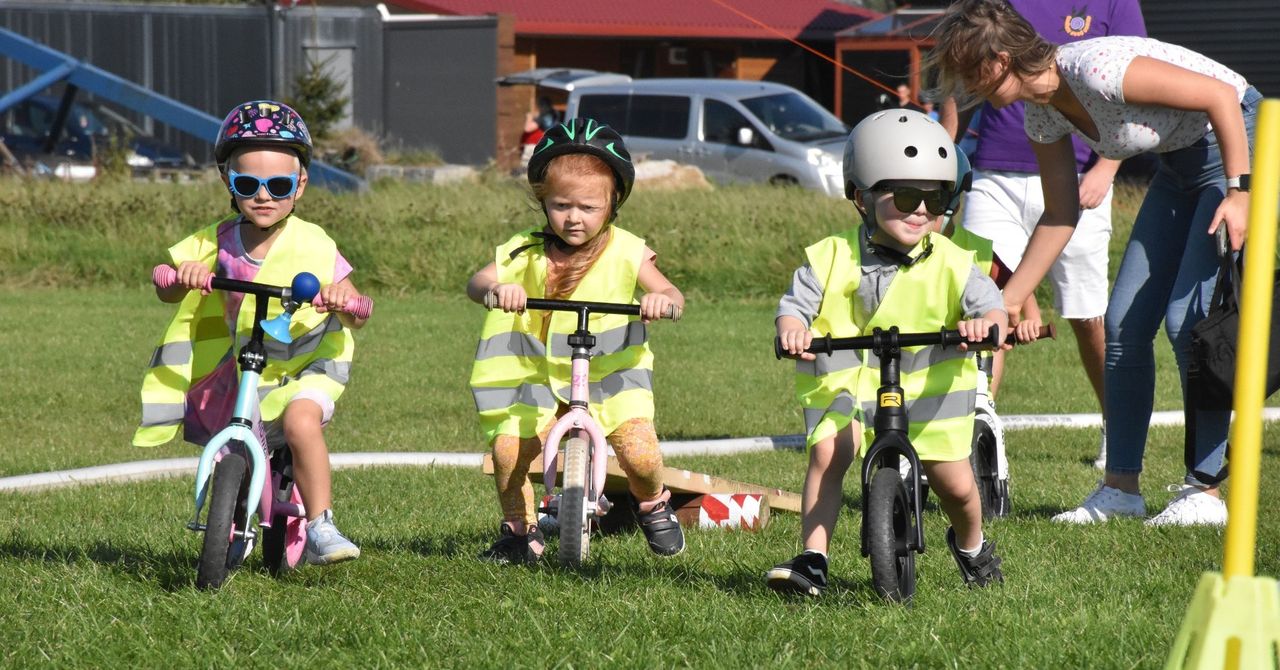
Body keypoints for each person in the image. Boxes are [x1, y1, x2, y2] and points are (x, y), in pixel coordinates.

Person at [927, 0, 1260, 526]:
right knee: (1125, 322)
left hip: (1239, 142)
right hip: (1179, 168)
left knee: (1187, 322)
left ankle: (1204, 490)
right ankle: (1121, 489)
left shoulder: (1097, 71)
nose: (968, 85)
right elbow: (1060, 215)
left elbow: (1222, 96)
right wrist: (1005, 303)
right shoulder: (1041, 112)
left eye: (973, 70)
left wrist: (1241, 191)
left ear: (1002, 56)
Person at [766, 109, 1007, 596]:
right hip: (847, 379)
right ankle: (813, 558)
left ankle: (972, 545)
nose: (922, 211)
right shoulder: (829, 255)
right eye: (906, 196)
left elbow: (992, 308)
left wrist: (986, 325)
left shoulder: (956, 262)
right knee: (830, 455)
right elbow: (794, 307)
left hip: (932, 384)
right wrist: (793, 329)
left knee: (957, 486)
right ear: (861, 196)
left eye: (935, 199)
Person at [135, 100, 369, 564]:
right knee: (234, 441)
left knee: (302, 422)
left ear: (300, 184)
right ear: (228, 182)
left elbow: (357, 310)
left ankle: (322, 523)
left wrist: (347, 301)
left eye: (279, 185)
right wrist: (177, 277)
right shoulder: (214, 241)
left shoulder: (314, 242)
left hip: (307, 362)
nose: (264, 197)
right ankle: (234, 519)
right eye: (248, 184)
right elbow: (169, 287)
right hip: (248, 366)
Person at [467, 117, 687, 564]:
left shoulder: (626, 249)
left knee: (641, 455)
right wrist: (495, 290)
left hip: (612, 378)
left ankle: (652, 504)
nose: (573, 218)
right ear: (543, 201)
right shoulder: (524, 250)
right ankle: (519, 531)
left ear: (612, 204)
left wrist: (661, 301)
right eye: (561, 205)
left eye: (588, 207)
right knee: (508, 450)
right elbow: (478, 281)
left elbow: (669, 291)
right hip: (536, 380)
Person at [938, 0, 1147, 470]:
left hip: (1081, 179)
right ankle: (970, 429)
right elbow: (963, 70)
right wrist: (945, 150)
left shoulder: (1116, 2)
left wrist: (1107, 167)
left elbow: (1132, 78)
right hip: (994, 176)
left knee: (1087, 316)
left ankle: (1117, 427)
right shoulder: (992, 6)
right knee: (980, 299)